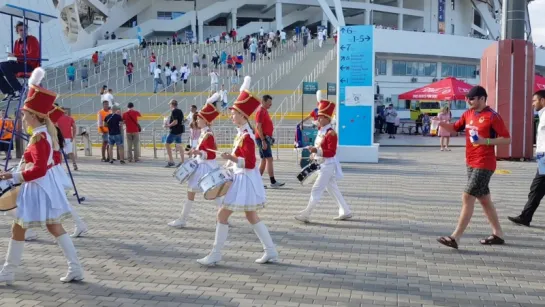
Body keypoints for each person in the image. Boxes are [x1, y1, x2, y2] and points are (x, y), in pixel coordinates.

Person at [0, 68, 84, 284]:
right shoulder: (42, 134)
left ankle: (7, 273)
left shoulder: (39, 138)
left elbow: (39, 169)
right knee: (50, 227)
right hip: (41, 187)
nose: (22, 116)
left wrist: (12, 175)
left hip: (37, 188)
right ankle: (75, 268)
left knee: (24, 227)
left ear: (34, 116)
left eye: (24, 113)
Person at [197, 76, 278, 266]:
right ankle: (271, 250)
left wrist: (231, 158)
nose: (231, 115)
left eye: (234, 113)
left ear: (243, 116)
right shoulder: (242, 134)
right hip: (242, 178)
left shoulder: (247, 137)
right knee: (251, 216)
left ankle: (216, 254)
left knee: (222, 215)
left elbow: (249, 163)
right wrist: (230, 162)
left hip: (245, 180)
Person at [436, 86, 511, 249]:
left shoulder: (492, 116)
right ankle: (498, 234)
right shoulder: (468, 114)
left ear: (482, 99)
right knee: (484, 199)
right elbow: (455, 129)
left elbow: (507, 139)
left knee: (467, 196)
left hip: (485, 163)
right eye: (467, 99)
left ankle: (455, 237)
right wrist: (441, 123)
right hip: (470, 162)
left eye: (471, 99)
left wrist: (487, 141)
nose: (468, 101)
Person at [294, 91, 352, 223]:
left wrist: (317, 151)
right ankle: (345, 210)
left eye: (320, 117)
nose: (317, 119)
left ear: (327, 118)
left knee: (316, 189)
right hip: (322, 163)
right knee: (332, 188)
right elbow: (320, 148)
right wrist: (314, 154)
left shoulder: (331, 133)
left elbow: (331, 152)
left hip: (328, 164)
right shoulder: (322, 131)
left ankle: (306, 214)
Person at [168, 95, 223, 228]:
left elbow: (210, 154)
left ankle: (183, 219)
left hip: (205, 167)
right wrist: (192, 151)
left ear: (205, 120)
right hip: (202, 165)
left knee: (203, 193)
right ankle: (223, 218)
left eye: (199, 118)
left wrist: (197, 152)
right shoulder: (205, 132)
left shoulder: (208, 134)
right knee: (213, 194)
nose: (197, 120)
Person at [48, 107, 88, 238]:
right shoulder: (49, 130)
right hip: (50, 169)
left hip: (50, 171)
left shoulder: (50, 131)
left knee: (60, 201)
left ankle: (78, 224)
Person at [508, 90, 545, 227]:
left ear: (542, 101)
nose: (533, 104)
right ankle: (525, 216)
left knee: (536, 188)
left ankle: (525, 217)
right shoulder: (542, 115)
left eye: (534, 101)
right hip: (542, 158)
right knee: (537, 189)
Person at [0, 21, 41, 102]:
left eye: (25, 29)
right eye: (21, 30)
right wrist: (12, 56)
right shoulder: (17, 42)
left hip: (30, 65)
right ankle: (8, 91)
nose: (23, 32)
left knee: (3, 65)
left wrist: (16, 55)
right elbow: (17, 55)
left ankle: (19, 89)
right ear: (17, 31)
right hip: (20, 64)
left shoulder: (32, 39)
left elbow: (33, 55)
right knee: (1, 66)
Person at [255, 95, 284, 188]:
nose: (270, 105)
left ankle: (257, 182)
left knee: (264, 160)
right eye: (269, 103)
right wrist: (263, 140)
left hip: (264, 138)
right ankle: (272, 181)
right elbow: (258, 127)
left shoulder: (264, 111)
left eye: (271, 103)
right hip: (262, 138)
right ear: (263, 101)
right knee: (269, 159)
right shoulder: (260, 112)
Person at [55, 106, 78, 170]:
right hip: (68, 137)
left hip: (60, 138)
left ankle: (59, 166)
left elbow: (55, 128)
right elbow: (74, 127)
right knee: (70, 152)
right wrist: (73, 136)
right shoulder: (70, 118)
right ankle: (74, 164)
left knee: (60, 152)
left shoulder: (57, 119)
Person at [165, 99, 185, 168]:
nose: (169, 106)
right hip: (180, 131)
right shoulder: (180, 111)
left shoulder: (174, 111)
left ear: (172, 104)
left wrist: (168, 125)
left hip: (174, 131)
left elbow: (175, 121)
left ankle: (171, 161)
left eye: (170, 104)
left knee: (167, 144)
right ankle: (182, 161)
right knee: (179, 145)